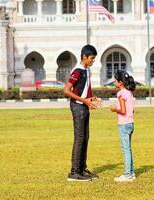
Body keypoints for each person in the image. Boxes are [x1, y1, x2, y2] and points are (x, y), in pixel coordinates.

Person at [64, 44, 101, 182]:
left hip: (84, 106)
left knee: (85, 138)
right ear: (84, 57)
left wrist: (91, 99)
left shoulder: (86, 71)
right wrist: (84, 101)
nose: (93, 61)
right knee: (79, 138)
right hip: (78, 107)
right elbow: (67, 90)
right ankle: (74, 172)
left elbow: (83, 90)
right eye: (91, 58)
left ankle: (82, 169)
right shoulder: (78, 71)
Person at [110, 70, 136, 182]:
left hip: (124, 124)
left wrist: (114, 109)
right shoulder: (129, 93)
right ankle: (131, 173)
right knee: (128, 149)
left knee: (125, 149)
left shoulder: (120, 93)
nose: (114, 82)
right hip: (130, 123)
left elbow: (123, 110)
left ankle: (127, 175)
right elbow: (132, 110)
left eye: (115, 80)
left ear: (120, 82)